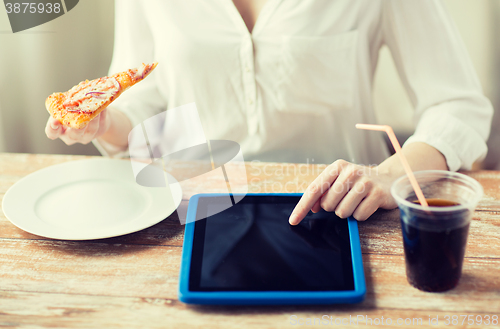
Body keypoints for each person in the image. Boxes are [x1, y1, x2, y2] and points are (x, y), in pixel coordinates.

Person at [45, 0, 493, 224]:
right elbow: (147, 105)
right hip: (197, 210)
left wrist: (391, 173)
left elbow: (458, 105)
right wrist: (107, 122)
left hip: (341, 212)